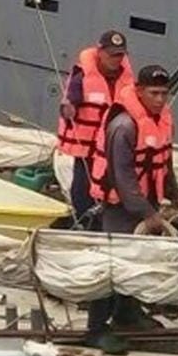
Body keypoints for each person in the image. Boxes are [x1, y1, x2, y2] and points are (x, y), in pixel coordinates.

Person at [86, 64, 178, 353]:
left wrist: (175, 194)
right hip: (122, 207)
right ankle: (95, 328)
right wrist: (147, 213)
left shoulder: (162, 119)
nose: (160, 100)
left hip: (146, 202)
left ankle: (127, 313)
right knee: (113, 266)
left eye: (164, 93)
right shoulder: (124, 126)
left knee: (136, 263)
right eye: (154, 93)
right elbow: (122, 175)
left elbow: (164, 161)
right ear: (139, 90)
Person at [56, 30, 136, 227]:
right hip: (88, 149)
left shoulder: (127, 80)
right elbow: (68, 104)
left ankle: (108, 223)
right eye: (112, 54)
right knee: (83, 188)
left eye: (120, 55)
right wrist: (68, 108)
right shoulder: (82, 77)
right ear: (100, 52)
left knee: (112, 189)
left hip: (113, 147)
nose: (116, 59)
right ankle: (83, 222)